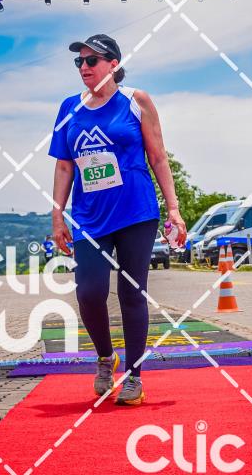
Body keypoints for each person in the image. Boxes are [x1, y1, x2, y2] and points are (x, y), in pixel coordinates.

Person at [49, 34, 186, 406]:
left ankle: (134, 377)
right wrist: (57, 215)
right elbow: (64, 166)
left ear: (113, 64)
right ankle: (105, 357)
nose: (84, 67)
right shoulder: (68, 108)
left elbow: (158, 157)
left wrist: (173, 209)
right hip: (90, 216)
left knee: (131, 292)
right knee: (89, 292)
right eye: (79, 61)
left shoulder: (136, 101)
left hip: (136, 211)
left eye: (92, 60)